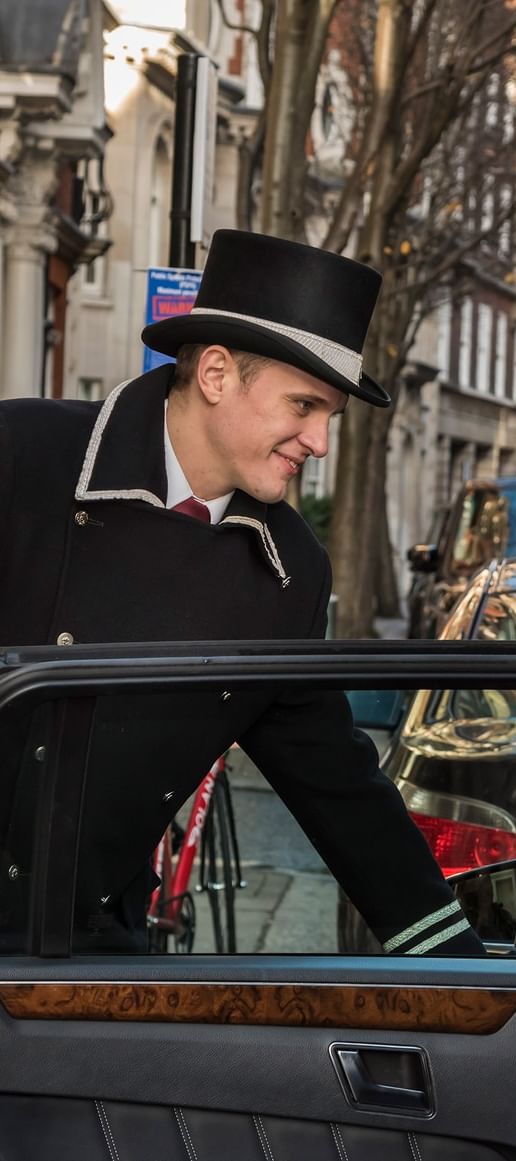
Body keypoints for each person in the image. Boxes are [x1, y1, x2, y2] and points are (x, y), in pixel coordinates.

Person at [0, 229, 483, 956]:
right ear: (218, 374)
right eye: (302, 406)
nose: (319, 442)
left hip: (81, 952)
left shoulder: (287, 569)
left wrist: (469, 976)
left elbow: (336, 781)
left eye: (330, 416)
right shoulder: (23, 457)